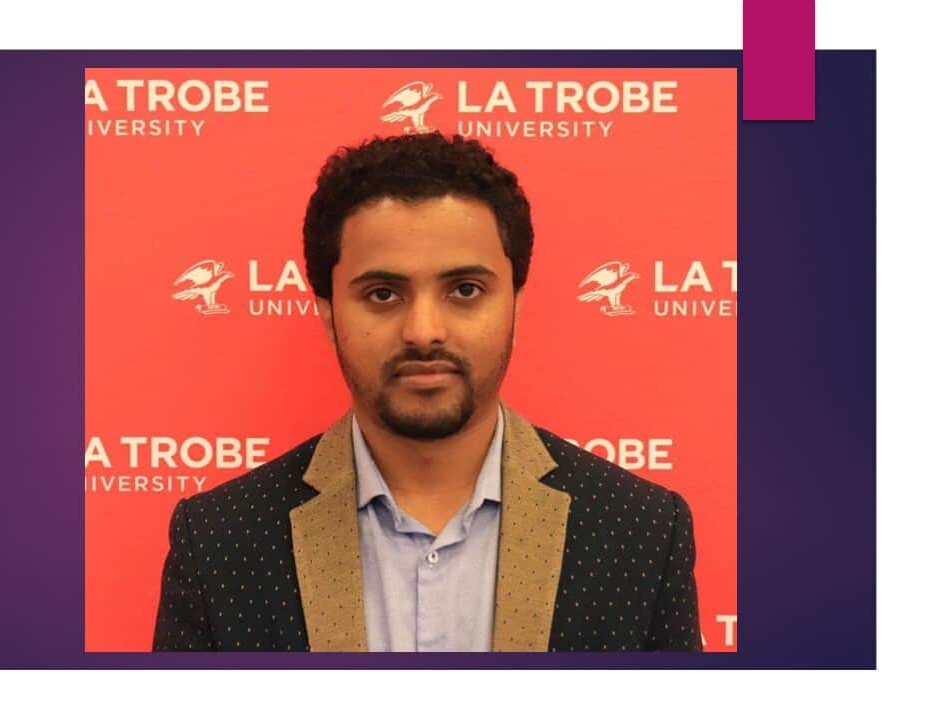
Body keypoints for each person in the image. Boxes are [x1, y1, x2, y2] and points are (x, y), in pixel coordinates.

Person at [152, 132, 700, 652]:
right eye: (383, 293)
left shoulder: (642, 532)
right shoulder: (219, 542)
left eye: (465, 289)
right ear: (328, 314)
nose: (423, 331)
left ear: (515, 304)